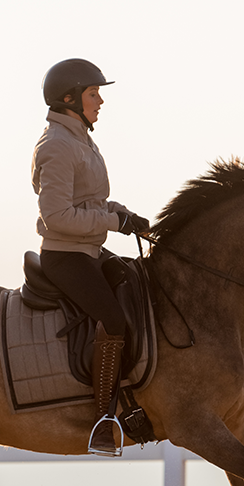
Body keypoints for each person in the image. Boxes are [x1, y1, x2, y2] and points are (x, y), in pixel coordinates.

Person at [32, 58, 150, 455]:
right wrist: (114, 222)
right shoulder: (58, 146)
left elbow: (90, 202)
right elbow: (57, 216)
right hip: (65, 257)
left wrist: (125, 215)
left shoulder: (80, 139)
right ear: (69, 98)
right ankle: (103, 420)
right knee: (113, 319)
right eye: (93, 93)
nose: (100, 101)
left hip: (89, 251)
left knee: (138, 287)